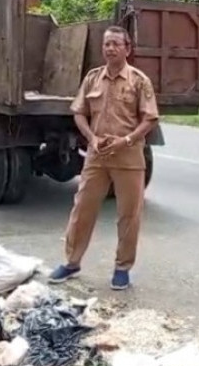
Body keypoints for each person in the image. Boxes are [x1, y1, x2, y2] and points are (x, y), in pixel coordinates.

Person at [48, 25, 159, 290]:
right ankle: (72, 262)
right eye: (106, 44)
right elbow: (79, 112)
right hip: (97, 156)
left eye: (116, 44)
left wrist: (127, 140)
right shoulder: (92, 79)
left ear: (127, 49)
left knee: (129, 215)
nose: (110, 48)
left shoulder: (139, 80)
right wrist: (91, 138)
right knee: (82, 209)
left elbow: (150, 118)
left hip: (129, 156)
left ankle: (122, 269)